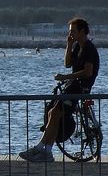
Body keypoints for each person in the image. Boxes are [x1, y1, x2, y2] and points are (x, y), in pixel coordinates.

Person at [19, 17, 99, 163]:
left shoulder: (89, 48)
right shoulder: (77, 46)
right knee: (52, 112)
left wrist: (65, 76)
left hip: (79, 89)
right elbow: (68, 63)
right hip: (71, 87)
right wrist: (69, 45)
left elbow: (88, 72)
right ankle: (47, 151)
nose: (70, 34)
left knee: (56, 112)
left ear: (82, 31)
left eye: (73, 31)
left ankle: (40, 147)